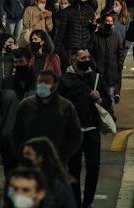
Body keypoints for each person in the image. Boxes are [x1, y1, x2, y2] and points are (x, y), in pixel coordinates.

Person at [58, 49, 112, 208]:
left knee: (93, 166)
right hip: (73, 133)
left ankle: (88, 201)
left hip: (92, 130)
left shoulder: (96, 78)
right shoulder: (64, 80)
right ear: (74, 59)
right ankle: (75, 202)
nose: (87, 59)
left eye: (88, 57)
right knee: (73, 170)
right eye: (83, 57)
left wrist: (100, 99)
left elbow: (109, 103)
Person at [11, 69, 82, 162]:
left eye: (47, 82)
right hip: (30, 163)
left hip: (56, 164)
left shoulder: (66, 106)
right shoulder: (26, 105)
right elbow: (16, 134)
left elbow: (75, 136)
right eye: (40, 81)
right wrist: (22, 155)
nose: (42, 85)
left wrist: (62, 155)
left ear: (55, 85)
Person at [0, 48, 37, 177]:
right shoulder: (5, 83)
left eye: (21, 62)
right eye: (15, 62)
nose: (18, 65)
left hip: (32, 140)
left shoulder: (39, 84)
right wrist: (2, 127)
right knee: (10, 176)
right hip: (9, 140)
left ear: (30, 61)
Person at [20, 137, 77, 208]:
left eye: (28, 154)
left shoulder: (59, 185)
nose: (24, 157)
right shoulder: (20, 180)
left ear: (41, 157)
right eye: (24, 154)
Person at [90, 13, 125, 104]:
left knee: (110, 95)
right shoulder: (95, 36)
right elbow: (90, 53)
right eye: (107, 21)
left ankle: (110, 114)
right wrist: (95, 66)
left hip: (112, 72)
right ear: (102, 23)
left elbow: (120, 52)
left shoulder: (116, 37)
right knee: (99, 97)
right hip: (99, 72)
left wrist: (119, 65)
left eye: (110, 21)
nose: (109, 23)